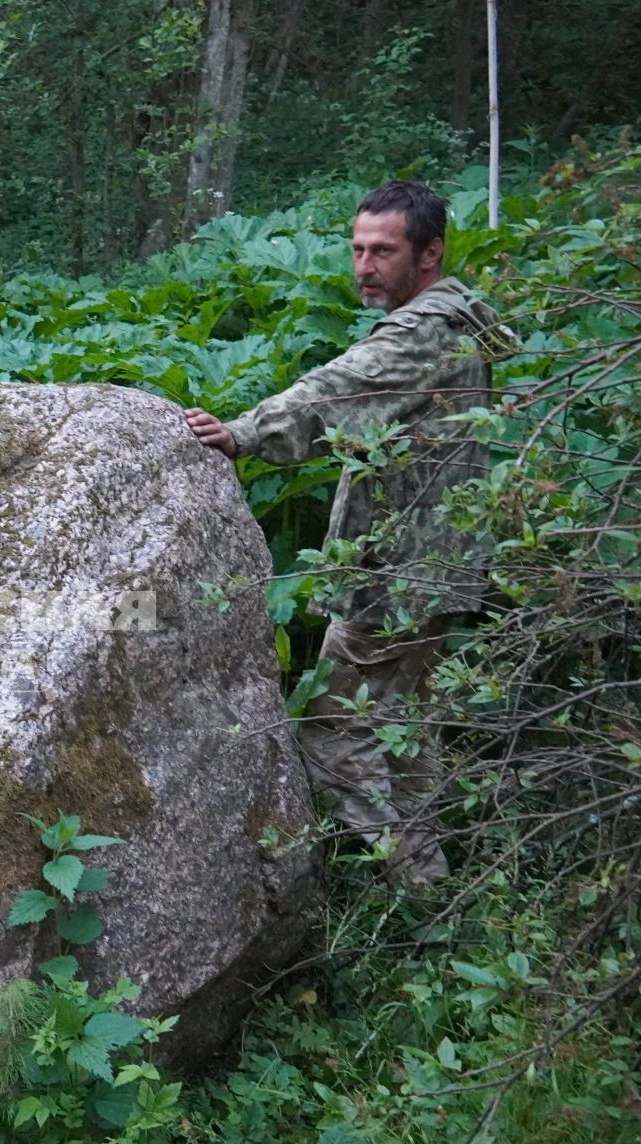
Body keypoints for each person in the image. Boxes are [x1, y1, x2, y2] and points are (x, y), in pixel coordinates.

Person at [185, 180, 505, 886]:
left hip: (394, 573)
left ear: (428, 255)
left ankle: (404, 886)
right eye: (356, 248)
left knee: (332, 728)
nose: (363, 265)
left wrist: (240, 433)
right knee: (402, 731)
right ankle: (436, 889)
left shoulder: (422, 331)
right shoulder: (454, 320)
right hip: (433, 564)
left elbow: (335, 391)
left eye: (382, 251)